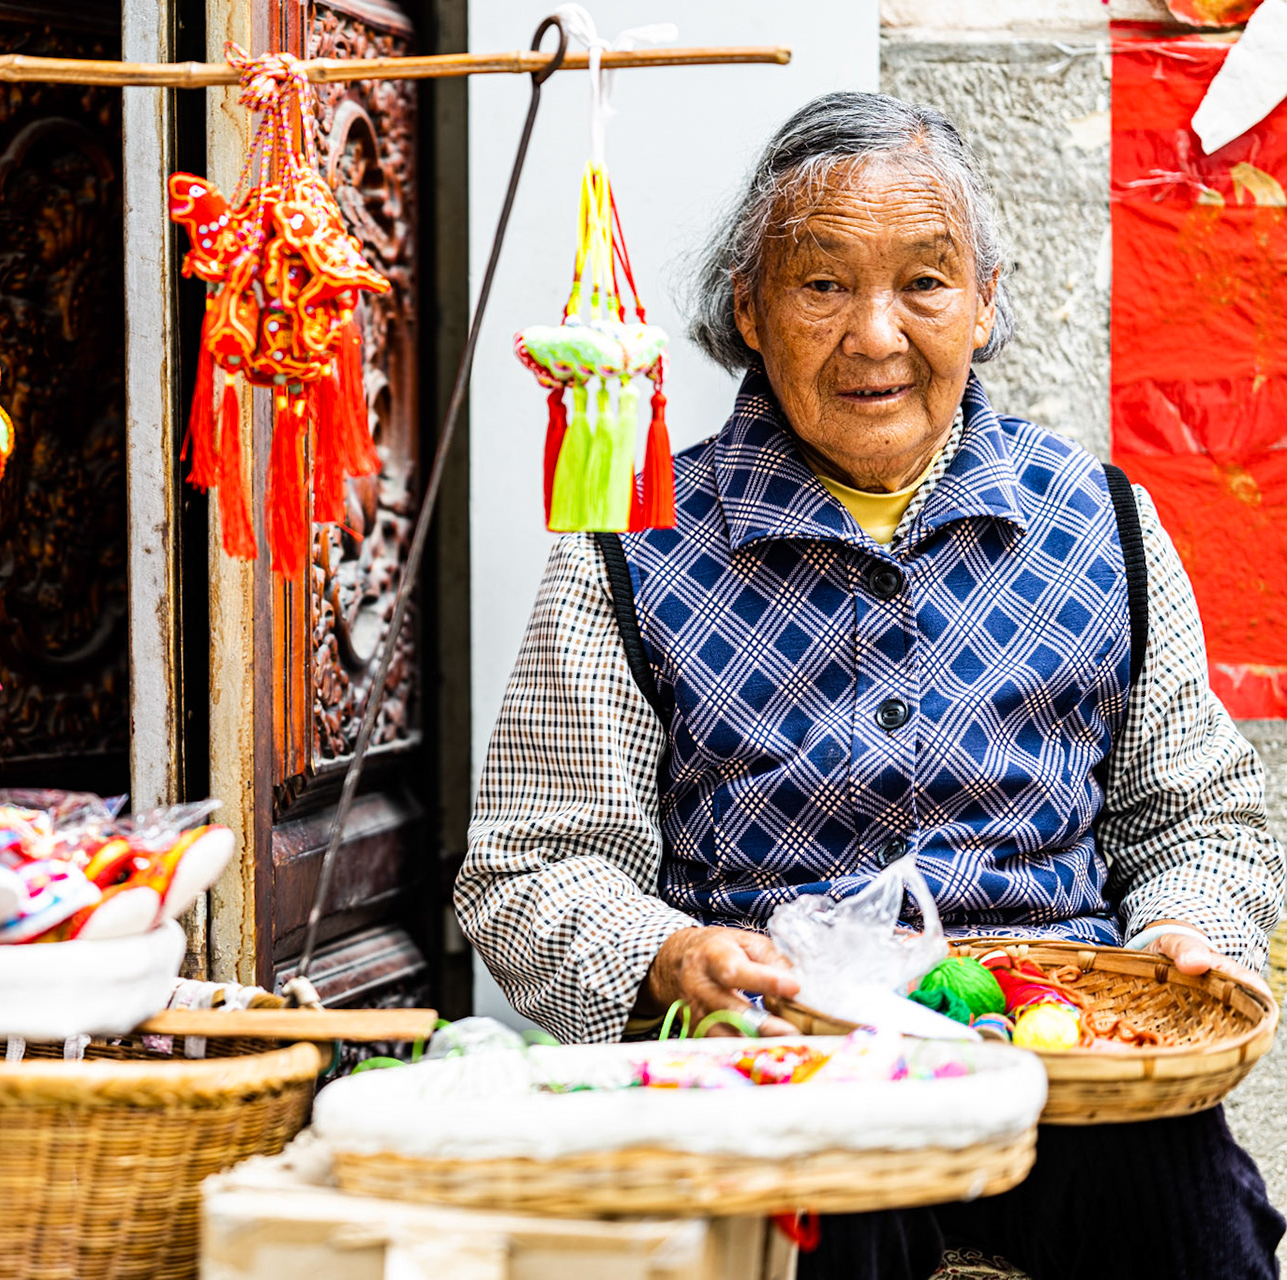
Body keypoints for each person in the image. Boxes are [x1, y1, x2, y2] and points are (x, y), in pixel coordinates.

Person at [456, 91, 1287, 1280]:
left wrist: (1185, 930)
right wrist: (670, 951)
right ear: (748, 306)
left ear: (986, 300)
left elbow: (1196, 815)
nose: (878, 335)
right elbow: (531, 863)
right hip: (783, 1075)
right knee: (822, 1231)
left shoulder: (1097, 521)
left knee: (1196, 1222)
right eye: (824, 283)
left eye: (926, 283)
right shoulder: (631, 546)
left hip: (1072, 1076)